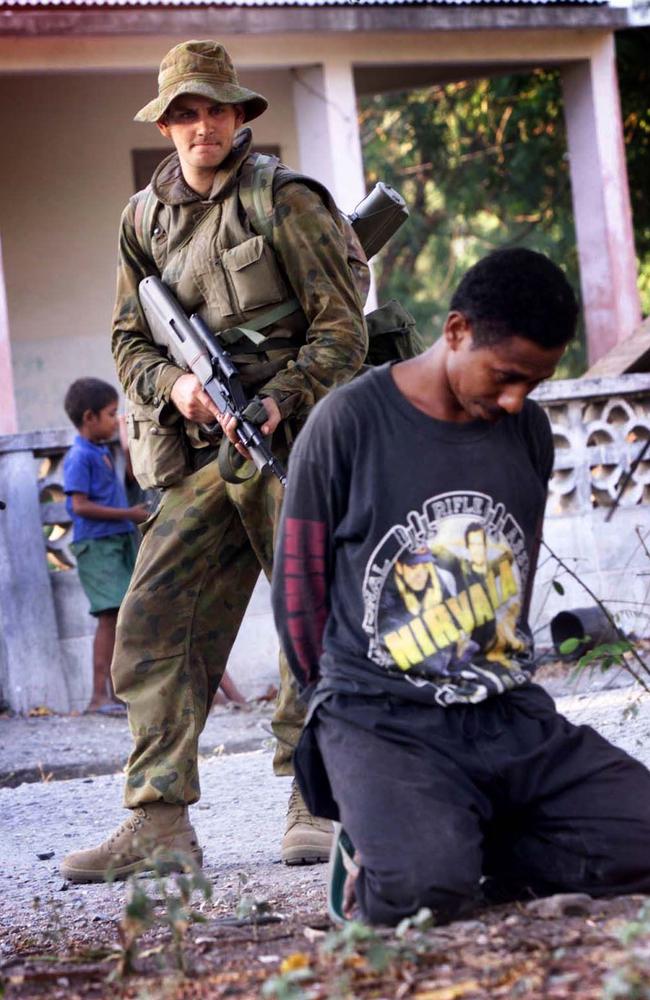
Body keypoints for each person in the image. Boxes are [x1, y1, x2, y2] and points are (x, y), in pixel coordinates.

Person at [60, 39, 367, 883]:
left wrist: (281, 397)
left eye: (216, 110)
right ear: (166, 124)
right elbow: (128, 338)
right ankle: (158, 824)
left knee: (315, 622)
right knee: (154, 623)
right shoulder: (142, 220)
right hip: (198, 456)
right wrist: (174, 389)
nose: (202, 126)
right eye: (185, 113)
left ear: (238, 116)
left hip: (287, 444)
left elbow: (344, 327)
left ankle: (319, 801)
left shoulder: (286, 200)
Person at [271, 247, 650, 926]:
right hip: (385, 721)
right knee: (423, 896)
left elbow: (515, 570)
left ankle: (466, 838)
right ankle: (388, 847)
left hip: (508, 717)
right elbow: (298, 592)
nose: (515, 400)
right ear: (455, 332)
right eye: (506, 377)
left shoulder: (526, 431)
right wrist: (337, 721)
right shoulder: (348, 423)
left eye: (533, 384)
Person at [62, 378, 148, 714]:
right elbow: (78, 506)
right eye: (112, 414)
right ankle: (99, 695)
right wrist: (129, 513)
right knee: (110, 616)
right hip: (97, 546)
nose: (116, 420)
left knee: (123, 614)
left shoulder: (102, 451)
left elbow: (124, 483)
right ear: (89, 417)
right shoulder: (79, 456)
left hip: (116, 541)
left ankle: (117, 691)